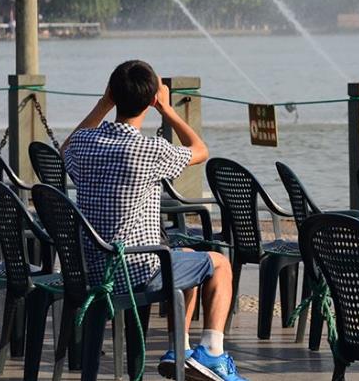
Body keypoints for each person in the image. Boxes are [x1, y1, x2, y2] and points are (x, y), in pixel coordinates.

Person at [61, 60, 248, 381]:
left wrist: (103, 103)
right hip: (137, 270)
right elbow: (200, 150)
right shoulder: (149, 149)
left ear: (112, 94)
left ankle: (182, 351)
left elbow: (65, 148)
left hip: (91, 267)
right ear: (151, 100)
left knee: (188, 258)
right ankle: (214, 353)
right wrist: (168, 110)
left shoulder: (84, 144)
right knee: (219, 264)